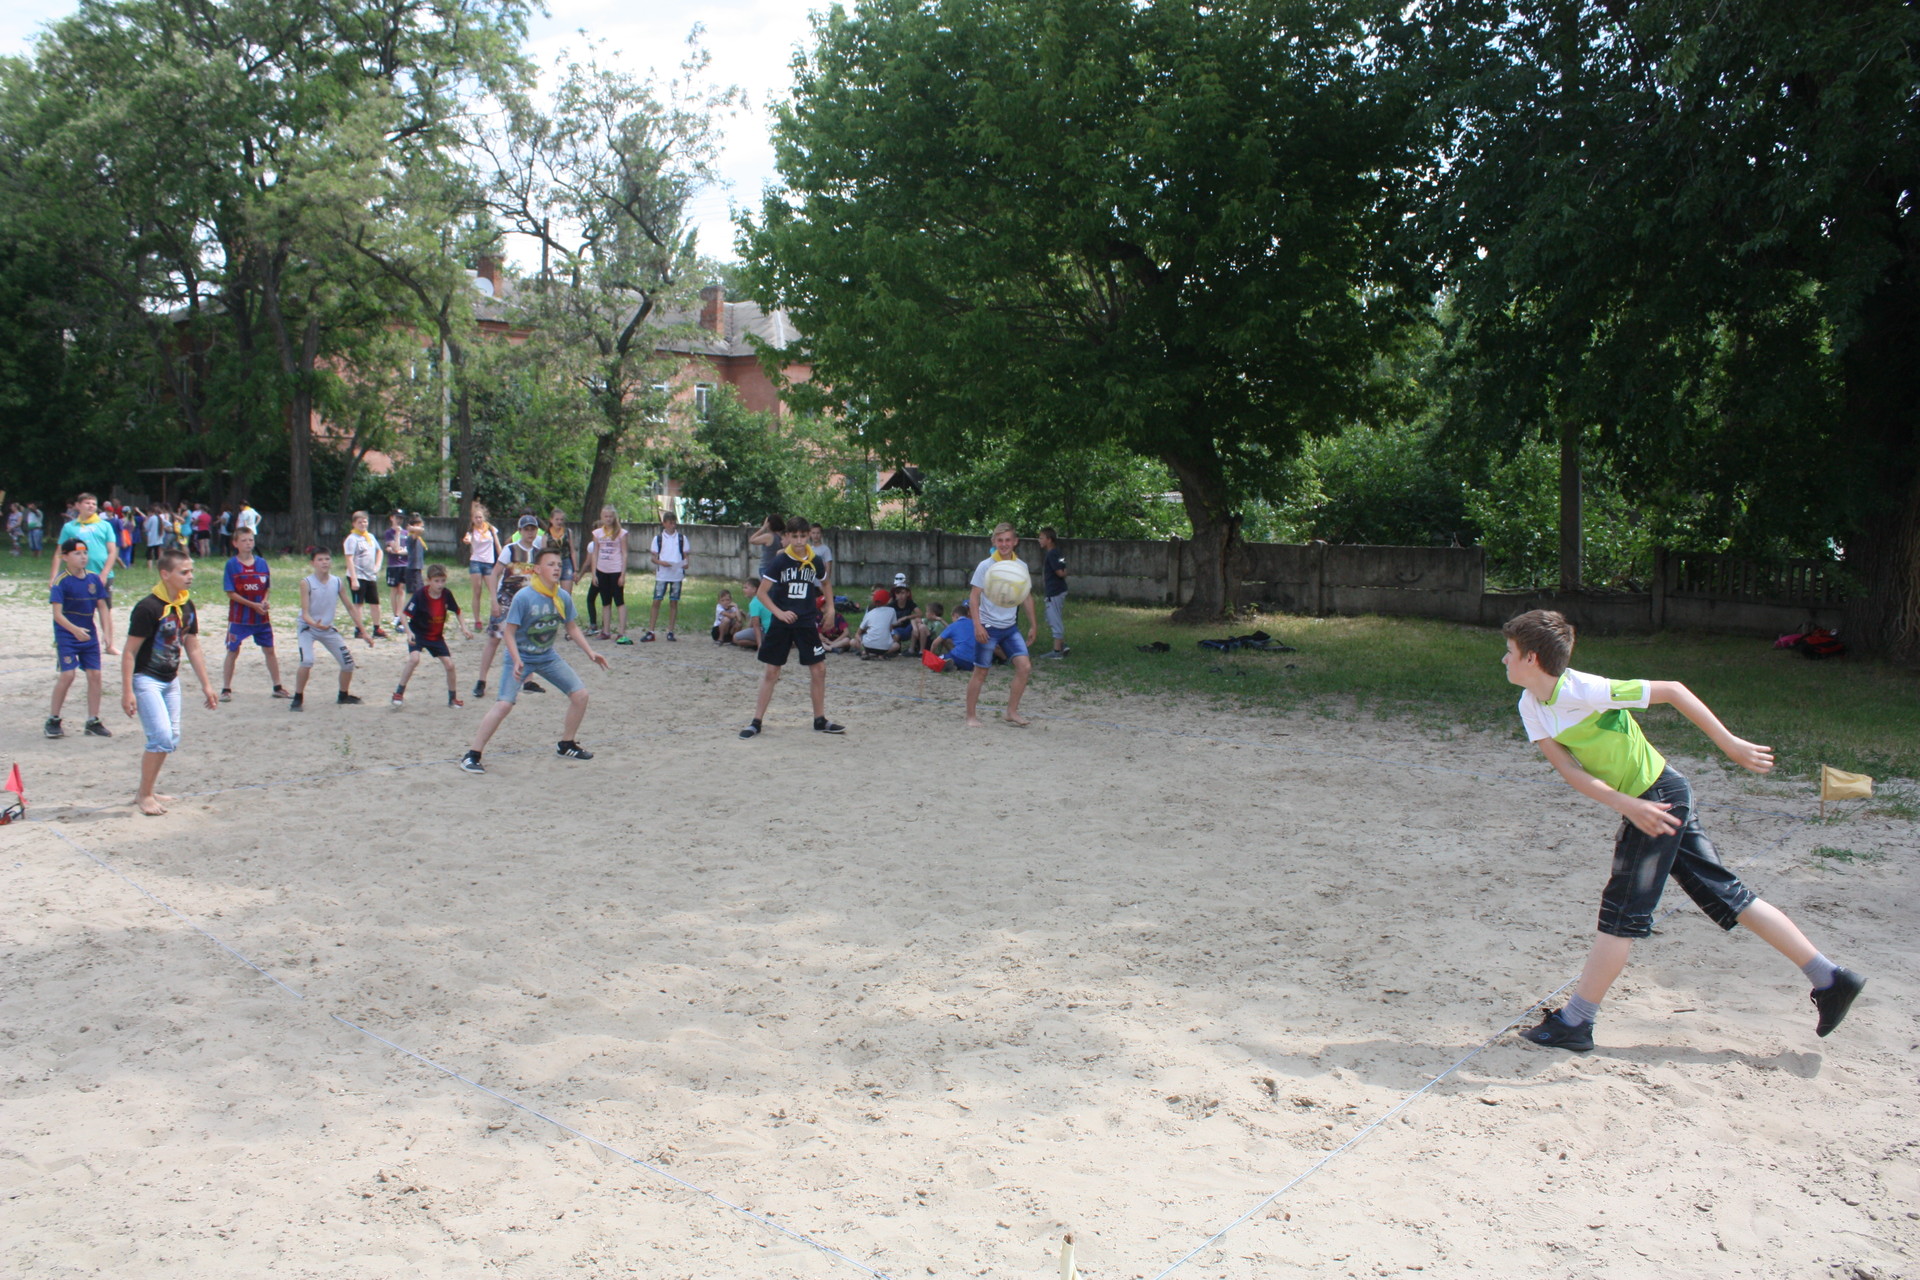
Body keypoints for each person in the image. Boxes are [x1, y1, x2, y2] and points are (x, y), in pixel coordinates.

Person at [1500, 609, 1866, 1052]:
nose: (1504, 659)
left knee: (1621, 914)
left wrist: (1730, 744)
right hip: (1645, 802)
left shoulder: (1585, 690)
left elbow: (1673, 690)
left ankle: (1576, 1022)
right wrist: (1627, 804)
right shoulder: (1530, 705)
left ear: (1533, 659)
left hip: (1661, 797)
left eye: (1510, 652)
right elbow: (1570, 771)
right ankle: (1831, 978)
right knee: (1724, 892)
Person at [460, 547, 608, 773]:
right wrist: (518, 659)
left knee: (580, 695)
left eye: (559, 565)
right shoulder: (524, 597)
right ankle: (472, 755)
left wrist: (590, 652)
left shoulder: (562, 597)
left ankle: (566, 744)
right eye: (550, 564)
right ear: (537, 570)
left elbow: (571, 626)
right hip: (520, 657)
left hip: (547, 656)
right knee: (504, 704)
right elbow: (508, 633)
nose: (557, 568)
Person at [121, 547, 219, 816]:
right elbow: (129, 652)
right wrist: (127, 690)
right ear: (165, 574)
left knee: (171, 738)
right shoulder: (148, 607)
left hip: (170, 680)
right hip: (146, 679)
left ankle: (148, 789)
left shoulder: (186, 605)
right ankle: (144, 795)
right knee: (160, 737)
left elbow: (193, 646)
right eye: (183, 572)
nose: (190, 576)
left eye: (191, 571)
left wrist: (206, 684)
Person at [739, 517, 843, 739]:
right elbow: (762, 592)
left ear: (808, 536)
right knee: (772, 671)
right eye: (794, 536)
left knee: (819, 669)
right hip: (782, 621)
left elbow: (825, 582)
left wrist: (831, 609)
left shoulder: (814, 560)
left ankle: (820, 719)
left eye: (802, 536)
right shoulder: (781, 561)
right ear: (788, 536)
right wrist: (779, 613)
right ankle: (756, 721)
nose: (798, 540)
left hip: (805, 621)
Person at [964, 522, 1039, 727]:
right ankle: (971, 716)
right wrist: (977, 626)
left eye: (1008, 540)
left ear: (1015, 542)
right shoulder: (985, 566)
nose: (1004, 544)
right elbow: (974, 598)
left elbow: (1026, 596)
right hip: (988, 628)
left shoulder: (1021, 566)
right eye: (1000, 540)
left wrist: (1033, 625)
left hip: (1010, 628)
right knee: (981, 672)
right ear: (994, 542)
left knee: (1024, 667)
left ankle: (1011, 712)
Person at [46, 537, 112, 738]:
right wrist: (74, 630)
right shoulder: (61, 581)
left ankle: (93, 720)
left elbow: (102, 607)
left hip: (88, 635)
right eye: (77, 553)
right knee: (68, 675)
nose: (83, 557)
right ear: (65, 557)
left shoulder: (93, 579)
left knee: (95, 675)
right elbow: (58, 615)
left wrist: (107, 633)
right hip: (67, 635)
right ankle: (53, 719)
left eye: (85, 553)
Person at [290, 547, 370, 711]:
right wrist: (315, 624)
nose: (324, 562)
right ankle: (298, 697)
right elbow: (305, 614)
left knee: (348, 664)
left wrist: (363, 631)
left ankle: (343, 695)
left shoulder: (337, 582)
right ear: (312, 563)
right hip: (308, 628)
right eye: (320, 559)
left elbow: (350, 607)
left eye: (327, 559)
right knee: (307, 661)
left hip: (327, 629)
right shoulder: (307, 583)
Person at [474, 515, 543, 699]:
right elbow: (494, 573)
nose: (530, 532)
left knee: (527, 640)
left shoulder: (538, 553)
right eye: (526, 529)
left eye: (533, 529)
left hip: (527, 603)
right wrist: (493, 601)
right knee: (495, 639)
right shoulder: (510, 550)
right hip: (506, 600)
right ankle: (481, 680)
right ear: (519, 531)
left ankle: (528, 680)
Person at [218, 527, 289, 700]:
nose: (248, 543)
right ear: (235, 543)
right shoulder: (232, 565)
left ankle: (277, 686)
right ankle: (226, 689)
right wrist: (252, 605)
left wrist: (264, 601)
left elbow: (266, 587)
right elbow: (231, 592)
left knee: (270, 650)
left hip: (261, 618)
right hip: (239, 618)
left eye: (250, 540)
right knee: (233, 651)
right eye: (244, 540)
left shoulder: (262, 563)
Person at [50, 492, 121, 656]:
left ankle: (109, 644)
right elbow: (59, 553)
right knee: (72, 608)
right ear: (78, 505)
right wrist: (53, 576)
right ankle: (64, 637)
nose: (91, 506)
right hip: (76, 576)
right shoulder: (70, 527)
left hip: (101, 575)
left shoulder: (105, 525)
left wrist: (104, 573)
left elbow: (112, 552)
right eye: (87, 503)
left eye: (94, 504)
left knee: (105, 609)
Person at [394, 564, 472, 707]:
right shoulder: (420, 595)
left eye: (443, 580)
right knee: (414, 659)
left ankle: (452, 698)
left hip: (436, 637)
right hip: (418, 633)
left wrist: (464, 628)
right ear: (428, 580)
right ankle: (398, 692)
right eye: (436, 581)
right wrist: (409, 633)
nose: (440, 584)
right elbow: (404, 615)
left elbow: (458, 611)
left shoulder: (446, 594)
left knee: (450, 665)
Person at [583, 506, 630, 642]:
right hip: (602, 570)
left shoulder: (621, 533)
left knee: (619, 601)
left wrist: (623, 574)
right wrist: (594, 574)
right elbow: (595, 553)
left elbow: (625, 553)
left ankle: (621, 632)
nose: (608, 519)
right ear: (602, 517)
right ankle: (606, 631)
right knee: (605, 602)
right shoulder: (597, 533)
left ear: (614, 517)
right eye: (606, 516)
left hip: (616, 570)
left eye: (610, 516)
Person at [341, 510, 388, 639]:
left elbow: (380, 551)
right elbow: (349, 558)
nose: (363, 524)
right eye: (360, 522)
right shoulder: (352, 539)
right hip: (358, 575)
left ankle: (377, 628)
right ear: (354, 524)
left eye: (365, 521)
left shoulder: (370, 537)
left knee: (375, 602)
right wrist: (354, 579)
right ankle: (359, 629)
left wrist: (377, 566)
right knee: (358, 603)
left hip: (370, 575)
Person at [643, 509, 689, 641]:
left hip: (676, 574)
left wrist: (684, 564)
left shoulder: (682, 538)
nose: (672, 526)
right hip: (662, 574)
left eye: (674, 523)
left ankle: (671, 630)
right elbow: (653, 558)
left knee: (674, 602)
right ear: (664, 524)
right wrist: (662, 562)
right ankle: (651, 630)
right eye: (669, 523)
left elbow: (686, 558)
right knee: (656, 600)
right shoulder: (658, 538)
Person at [461, 503, 502, 620]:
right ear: (472, 519)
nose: (478, 519)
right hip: (476, 562)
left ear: (484, 518)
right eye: (476, 517)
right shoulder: (471, 531)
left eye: (480, 517)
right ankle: (477, 620)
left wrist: (503, 559)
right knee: (477, 591)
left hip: (489, 563)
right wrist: (467, 540)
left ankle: (496, 616)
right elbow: (467, 539)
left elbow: (497, 545)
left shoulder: (491, 529)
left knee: (494, 591)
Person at [1038, 525, 1069, 658]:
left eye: (1041, 538)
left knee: (1054, 619)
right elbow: (1064, 566)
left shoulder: (1051, 554)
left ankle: (1057, 652)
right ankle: (1063, 645)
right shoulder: (1058, 552)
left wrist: (1062, 573)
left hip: (1055, 592)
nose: (1039, 540)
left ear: (1049, 540)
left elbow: (1060, 572)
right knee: (1050, 617)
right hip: (1058, 590)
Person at [535, 508, 577, 595]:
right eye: (557, 519)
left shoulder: (568, 532)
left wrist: (575, 569)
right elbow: (543, 554)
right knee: (551, 592)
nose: (559, 522)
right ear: (551, 520)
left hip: (565, 561)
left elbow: (572, 551)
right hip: (552, 564)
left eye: (561, 519)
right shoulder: (546, 535)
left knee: (566, 594)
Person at [383, 511, 411, 627]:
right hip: (394, 565)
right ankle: (395, 614)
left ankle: (400, 614)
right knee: (394, 589)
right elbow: (395, 548)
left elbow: (408, 549)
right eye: (397, 517)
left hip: (404, 564)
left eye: (401, 518)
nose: (399, 520)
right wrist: (397, 534)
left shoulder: (407, 533)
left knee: (402, 589)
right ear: (392, 518)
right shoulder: (389, 533)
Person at [888, 572, 925, 654]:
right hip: (896, 628)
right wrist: (895, 623)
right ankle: (894, 648)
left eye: (902, 593)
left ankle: (913, 649)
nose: (900, 595)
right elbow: (887, 620)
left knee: (918, 622)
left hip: (908, 627)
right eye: (897, 593)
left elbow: (920, 613)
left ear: (907, 593)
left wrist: (906, 617)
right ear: (895, 594)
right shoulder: (892, 605)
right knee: (895, 634)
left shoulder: (909, 603)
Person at [859, 587, 900, 658]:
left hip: (868, 646)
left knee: (862, 639)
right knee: (896, 645)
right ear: (887, 600)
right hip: (884, 647)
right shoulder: (892, 610)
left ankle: (866, 652)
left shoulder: (869, 613)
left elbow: (859, 632)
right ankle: (881, 655)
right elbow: (891, 627)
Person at [731, 580, 771, 650]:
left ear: (754, 589)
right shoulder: (766, 597)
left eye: (746, 588)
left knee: (735, 638)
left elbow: (756, 625)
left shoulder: (754, 603)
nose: (743, 590)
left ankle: (764, 644)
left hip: (768, 632)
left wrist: (759, 645)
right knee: (750, 614)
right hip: (776, 630)